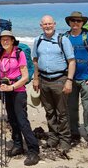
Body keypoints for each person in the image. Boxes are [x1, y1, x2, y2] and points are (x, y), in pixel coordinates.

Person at [32, 15, 76, 152]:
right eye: (45, 24)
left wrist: (69, 81)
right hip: (44, 80)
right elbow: (35, 60)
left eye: (50, 24)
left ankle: (65, 140)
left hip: (60, 80)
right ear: (41, 25)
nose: (47, 26)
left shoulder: (63, 40)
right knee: (49, 111)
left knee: (62, 112)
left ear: (54, 24)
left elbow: (72, 61)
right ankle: (53, 137)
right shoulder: (38, 40)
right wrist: (36, 78)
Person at [0, 30, 40, 166]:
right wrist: (0, 83)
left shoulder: (19, 53)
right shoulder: (1, 53)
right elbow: (1, 71)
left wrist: (12, 87)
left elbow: (26, 76)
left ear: (13, 40)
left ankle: (33, 150)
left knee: (22, 121)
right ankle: (18, 145)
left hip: (18, 91)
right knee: (12, 120)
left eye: (7, 39)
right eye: (3, 39)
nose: (5, 41)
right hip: (6, 91)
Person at [64, 11, 88, 148]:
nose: (75, 23)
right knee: (71, 108)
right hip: (70, 79)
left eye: (78, 21)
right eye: (73, 20)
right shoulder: (64, 37)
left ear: (82, 23)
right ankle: (74, 133)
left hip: (87, 79)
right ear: (69, 22)